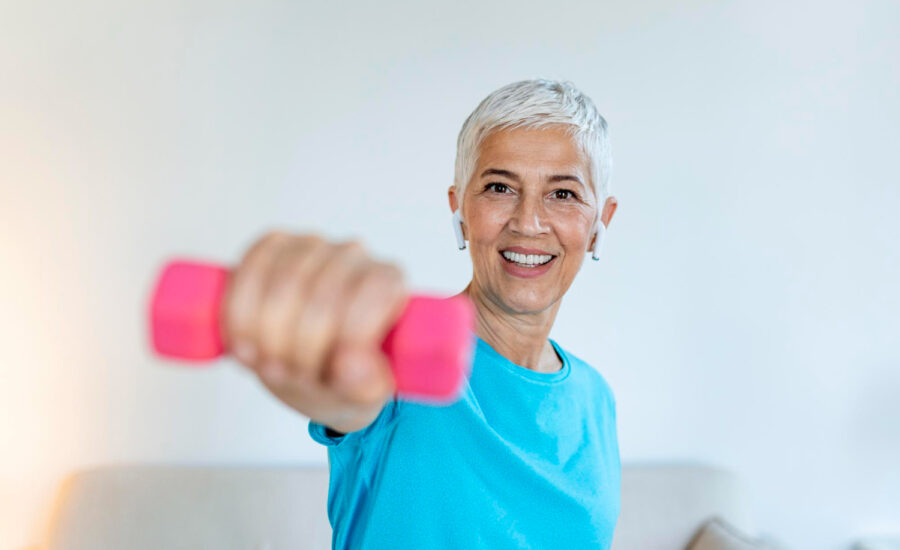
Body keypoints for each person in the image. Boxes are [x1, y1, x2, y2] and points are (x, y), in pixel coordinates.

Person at [220, 78, 621, 549]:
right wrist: (315, 351)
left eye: (563, 194)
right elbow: (349, 396)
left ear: (599, 223)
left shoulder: (596, 398)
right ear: (460, 208)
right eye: (499, 187)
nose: (528, 221)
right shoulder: (396, 347)